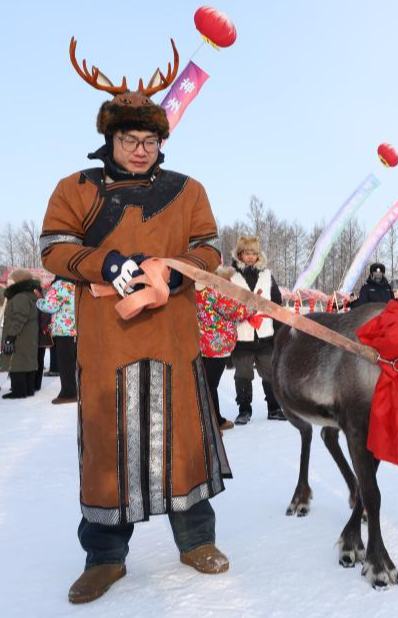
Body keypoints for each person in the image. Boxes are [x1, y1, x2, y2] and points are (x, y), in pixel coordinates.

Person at [40, 59, 231, 603]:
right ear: (111, 138)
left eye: (149, 139)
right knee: (107, 446)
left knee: (184, 438)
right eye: (130, 138)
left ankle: (196, 542)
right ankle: (104, 558)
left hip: (172, 336)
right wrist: (107, 266)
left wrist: (176, 269)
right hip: (106, 344)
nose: (141, 149)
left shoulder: (187, 190)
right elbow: (55, 249)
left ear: (161, 141)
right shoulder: (75, 189)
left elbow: (209, 249)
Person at [230, 236, 286, 424]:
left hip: (264, 335)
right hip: (242, 335)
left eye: (254, 253)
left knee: (270, 372)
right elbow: (226, 303)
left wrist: (278, 330)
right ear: (240, 254)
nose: (251, 257)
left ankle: (274, 408)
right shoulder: (232, 276)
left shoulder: (267, 275)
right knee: (243, 374)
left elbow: (277, 301)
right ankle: (244, 410)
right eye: (247, 253)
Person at [197, 266, 250, 431]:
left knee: (205, 383)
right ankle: (215, 422)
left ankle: (206, 420)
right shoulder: (214, 291)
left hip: (202, 343)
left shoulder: (195, 290)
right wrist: (253, 305)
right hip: (218, 345)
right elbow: (235, 311)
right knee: (210, 385)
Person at [36, 276, 78, 404]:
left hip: (63, 329)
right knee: (72, 362)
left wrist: (38, 300)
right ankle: (74, 390)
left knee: (65, 363)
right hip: (76, 328)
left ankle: (68, 393)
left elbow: (50, 306)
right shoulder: (77, 284)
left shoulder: (60, 285)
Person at [1, 270, 41, 399]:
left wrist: (11, 335)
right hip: (27, 335)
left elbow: (19, 317)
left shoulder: (20, 297)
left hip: (20, 336)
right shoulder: (27, 295)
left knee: (17, 361)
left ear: (19, 281)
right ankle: (28, 389)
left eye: (11, 281)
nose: (8, 283)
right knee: (27, 361)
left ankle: (19, 391)